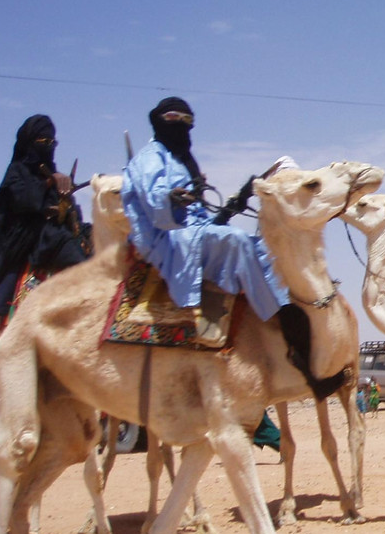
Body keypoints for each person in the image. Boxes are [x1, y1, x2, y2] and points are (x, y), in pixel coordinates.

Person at [121, 97, 313, 379]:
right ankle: (280, 315)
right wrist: (171, 198)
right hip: (166, 238)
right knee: (236, 242)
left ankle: (278, 308)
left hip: (191, 231)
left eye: (187, 121)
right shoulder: (150, 158)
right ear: (159, 121)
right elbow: (159, 209)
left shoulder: (184, 161)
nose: (180, 126)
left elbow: (201, 220)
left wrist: (234, 205)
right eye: (173, 119)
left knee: (263, 247)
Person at [0, 115, 90, 318]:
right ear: (29, 143)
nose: (48, 147)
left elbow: (68, 209)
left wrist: (67, 203)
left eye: (52, 143)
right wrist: (48, 183)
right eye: (43, 142)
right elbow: (24, 200)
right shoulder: (16, 173)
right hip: (27, 239)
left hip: (54, 233)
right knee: (79, 263)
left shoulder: (55, 174)